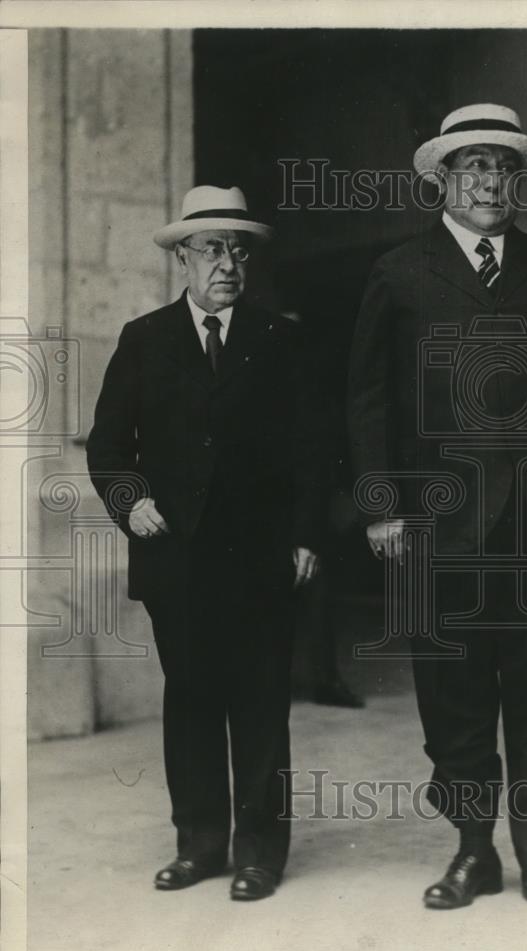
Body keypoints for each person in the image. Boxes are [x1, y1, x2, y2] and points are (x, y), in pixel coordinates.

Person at [347, 104, 527, 919]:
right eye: (473, 167)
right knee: (453, 696)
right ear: (444, 179)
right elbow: (367, 401)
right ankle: (473, 850)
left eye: (503, 168)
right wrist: (381, 505)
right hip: (439, 522)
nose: (490, 181)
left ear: (518, 179)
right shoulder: (401, 272)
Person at [87, 185, 328, 902]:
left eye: (238, 249)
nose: (228, 263)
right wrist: (133, 505)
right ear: (182, 259)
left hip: (260, 558)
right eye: (212, 248)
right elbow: (108, 446)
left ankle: (259, 851)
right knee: (191, 699)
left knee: (259, 703)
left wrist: (308, 534)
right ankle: (198, 846)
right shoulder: (144, 339)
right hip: (177, 558)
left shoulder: (279, 339)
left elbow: (314, 449)